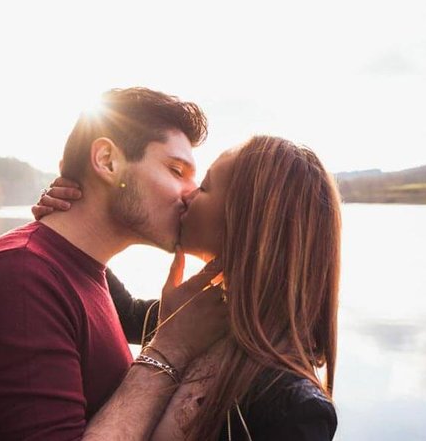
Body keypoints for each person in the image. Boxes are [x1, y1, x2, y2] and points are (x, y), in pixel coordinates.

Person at [0, 87, 228, 440]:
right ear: (107, 161)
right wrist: (170, 351)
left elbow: (139, 316)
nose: (190, 193)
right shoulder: (19, 279)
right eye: (176, 169)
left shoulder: (79, 271)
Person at [39, 135, 341, 440]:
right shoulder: (201, 317)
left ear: (243, 220)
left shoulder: (294, 409)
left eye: (205, 186)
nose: (187, 195)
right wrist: (75, 219)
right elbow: (126, 312)